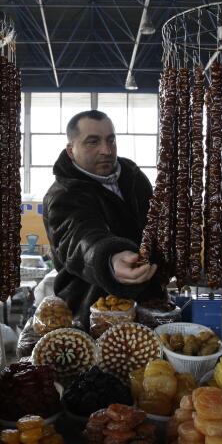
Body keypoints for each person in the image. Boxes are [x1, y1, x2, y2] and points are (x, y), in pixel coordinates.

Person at [43, 110, 161, 327]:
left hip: (148, 303)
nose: (106, 150)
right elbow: (79, 236)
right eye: (93, 142)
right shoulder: (63, 194)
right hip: (93, 312)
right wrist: (109, 258)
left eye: (111, 140)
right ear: (71, 150)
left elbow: (155, 224)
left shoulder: (134, 177)